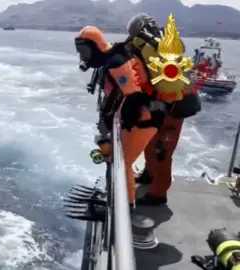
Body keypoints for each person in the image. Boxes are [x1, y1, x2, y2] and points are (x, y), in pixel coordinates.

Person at [76, 13, 200, 208]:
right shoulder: (155, 45)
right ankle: (149, 175)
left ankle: (158, 194)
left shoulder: (142, 47)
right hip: (171, 101)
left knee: (162, 151)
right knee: (155, 146)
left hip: (173, 105)